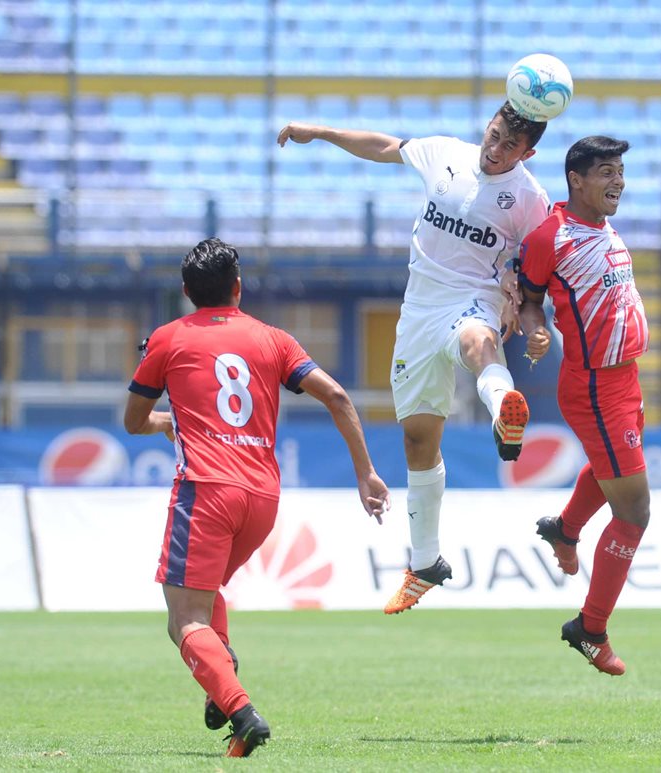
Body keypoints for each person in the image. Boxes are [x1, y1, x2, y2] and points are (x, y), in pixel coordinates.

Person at [276, 101, 551, 614]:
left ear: (528, 152)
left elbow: (540, 260)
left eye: (509, 146)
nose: (495, 149)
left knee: (478, 343)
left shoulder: (531, 200)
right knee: (419, 438)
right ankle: (426, 563)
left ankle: (504, 408)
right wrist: (322, 131)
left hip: (474, 297)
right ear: (487, 125)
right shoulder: (445, 153)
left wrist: (524, 305)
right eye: (493, 135)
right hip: (419, 306)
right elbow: (383, 146)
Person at [123, 238, 390, 757]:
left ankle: (241, 711)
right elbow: (336, 395)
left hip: (206, 490)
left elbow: (133, 422)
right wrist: (367, 474)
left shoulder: (167, 339)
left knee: (184, 618)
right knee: (206, 591)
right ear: (238, 288)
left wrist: (165, 422)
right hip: (263, 498)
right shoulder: (273, 339)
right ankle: (221, 674)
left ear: (185, 292)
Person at [516, 136, 649, 677]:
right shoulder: (551, 236)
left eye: (620, 171)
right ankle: (589, 628)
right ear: (576, 178)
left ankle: (566, 529)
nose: (617, 181)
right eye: (606, 172)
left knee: (613, 470)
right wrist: (535, 330)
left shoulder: (602, 225)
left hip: (626, 379)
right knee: (634, 512)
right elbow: (528, 299)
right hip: (594, 387)